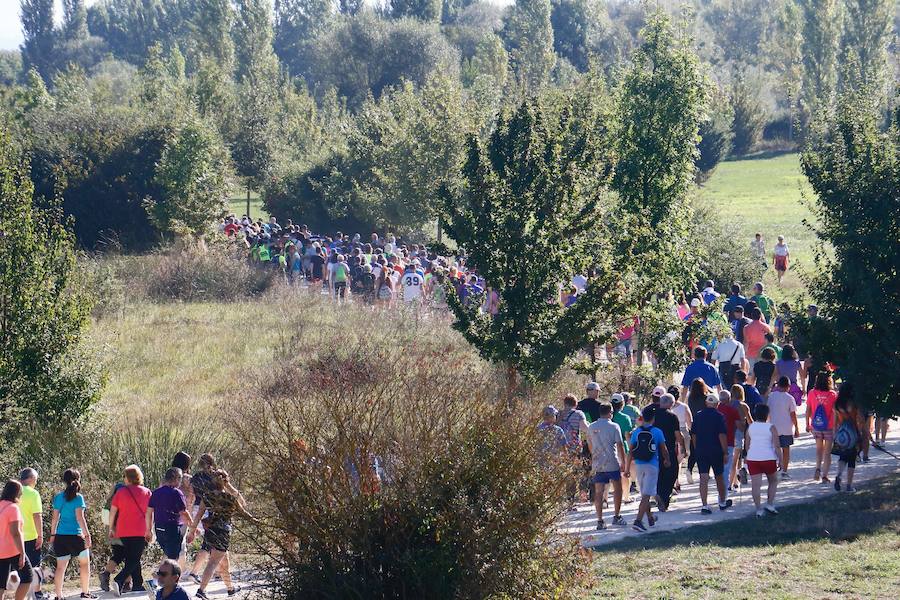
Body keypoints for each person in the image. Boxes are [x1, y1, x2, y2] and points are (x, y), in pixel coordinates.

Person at [188, 470, 253, 600]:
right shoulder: (230, 498)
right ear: (226, 482)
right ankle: (201, 590)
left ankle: (230, 588)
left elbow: (198, 516)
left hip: (210, 530)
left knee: (224, 562)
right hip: (223, 532)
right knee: (213, 562)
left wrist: (192, 531)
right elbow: (244, 513)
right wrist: (257, 521)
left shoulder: (207, 496)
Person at [51, 469, 96, 599]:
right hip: (77, 536)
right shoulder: (78, 497)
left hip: (61, 536)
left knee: (60, 568)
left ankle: (59, 596)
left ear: (64, 481)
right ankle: (85, 592)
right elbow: (80, 518)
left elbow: (55, 518)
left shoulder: (59, 497)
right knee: (84, 564)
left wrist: (53, 535)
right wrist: (87, 535)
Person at [625, 406, 670, 532]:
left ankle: (650, 518)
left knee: (645, 491)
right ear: (653, 419)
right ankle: (638, 521)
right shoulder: (657, 431)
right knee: (646, 495)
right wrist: (667, 460)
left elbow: (630, 451)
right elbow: (663, 448)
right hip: (652, 465)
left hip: (639, 465)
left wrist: (627, 468)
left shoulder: (636, 432)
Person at [108, 465, 152, 594]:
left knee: (132, 557)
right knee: (134, 558)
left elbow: (113, 512)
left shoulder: (121, 492)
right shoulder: (147, 492)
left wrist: (111, 528)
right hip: (140, 530)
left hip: (123, 531)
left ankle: (138, 584)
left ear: (128, 478)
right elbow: (150, 514)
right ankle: (119, 579)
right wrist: (149, 529)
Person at [586, 403, 627, 530]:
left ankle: (600, 520)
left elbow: (590, 444)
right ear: (610, 413)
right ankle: (616, 516)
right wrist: (623, 462)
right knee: (618, 489)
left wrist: (594, 457)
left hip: (598, 463)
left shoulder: (591, 426)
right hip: (612, 462)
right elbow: (619, 445)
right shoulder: (614, 426)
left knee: (599, 492)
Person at [691, 394, 733, 514]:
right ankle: (722, 502)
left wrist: (696, 448)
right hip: (716, 450)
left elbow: (693, 434)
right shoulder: (719, 416)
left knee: (703, 477)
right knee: (719, 476)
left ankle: (705, 505)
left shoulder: (698, 415)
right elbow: (722, 435)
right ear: (717, 404)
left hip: (701, 450)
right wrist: (725, 452)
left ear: (706, 403)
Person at [149, 468, 195, 566]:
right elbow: (183, 511)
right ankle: (168, 578)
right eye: (180, 478)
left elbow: (149, 512)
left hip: (159, 528)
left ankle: (162, 575)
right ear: (176, 478)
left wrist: (148, 529)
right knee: (173, 558)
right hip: (172, 528)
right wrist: (192, 524)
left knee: (168, 553)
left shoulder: (156, 492)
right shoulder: (177, 493)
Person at [743, 404, 781, 517]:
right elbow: (777, 446)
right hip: (768, 457)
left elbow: (747, 445)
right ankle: (769, 504)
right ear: (767, 414)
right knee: (773, 481)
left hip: (753, 458)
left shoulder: (751, 427)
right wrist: (781, 459)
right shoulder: (771, 427)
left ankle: (758, 509)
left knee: (756, 485)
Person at [0, 480, 32, 600]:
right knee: (28, 577)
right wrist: (22, 553)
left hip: (0, 551)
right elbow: (16, 533)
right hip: (13, 550)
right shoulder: (13, 508)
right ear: (16, 493)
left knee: (1, 583)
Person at [653, 394, 683, 512]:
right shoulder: (672, 417)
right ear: (671, 404)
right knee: (672, 473)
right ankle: (664, 498)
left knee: (659, 474)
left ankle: (660, 495)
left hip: (654, 450)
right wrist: (683, 447)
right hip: (669, 449)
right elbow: (677, 434)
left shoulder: (653, 415)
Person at [807, 372, 838, 483]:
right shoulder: (833, 395)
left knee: (819, 449)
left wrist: (807, 423)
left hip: (816, 425)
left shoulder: (812, 393)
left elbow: (808, 409)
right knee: (827, 452)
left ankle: (817, 468)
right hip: (829, 426)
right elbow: (835, 412)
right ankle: (825, 476)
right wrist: (836, 426)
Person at [18, 469, 44, 600]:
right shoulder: (33, 494)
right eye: (35, 479)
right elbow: (37, 515)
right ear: (30, 478)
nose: (36, 482)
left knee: (17, 568)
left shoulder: (14, 492)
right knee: (35, 567)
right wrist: (40, 535)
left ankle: (20, 594)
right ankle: (37, 593)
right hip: (30, 536)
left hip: (15, 537)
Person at [767, 377, 800, 478]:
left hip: (773, 427)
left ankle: (775, 468)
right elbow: (793, 414)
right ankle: (784, 471)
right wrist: (797, 428)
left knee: (774, 449)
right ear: (788, 386)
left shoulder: (771, 396)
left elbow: (768, 411)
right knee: (786, 450)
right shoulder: (789, 398)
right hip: (786, 428)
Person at [833, 383, 863, 492]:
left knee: (842, 457)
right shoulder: (853, 404)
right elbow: (859, 420)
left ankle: (839, 475)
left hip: (842, 434)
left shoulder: (837, 404)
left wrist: (835, 435)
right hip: (853, 434)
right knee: (851, 460)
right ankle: (849, 485)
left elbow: (835, 421)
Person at [716, 390, 742, 493]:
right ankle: (726, 489)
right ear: (729, 399)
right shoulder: (733, 411)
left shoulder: (715, 410)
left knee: (719, 466)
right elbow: (740, 426)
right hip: (729, 441)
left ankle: (723, 487)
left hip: (715, 442)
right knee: (729, 465)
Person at [610, 395, 634, 502]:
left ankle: (605, 498)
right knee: (624, 472)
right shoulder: (625, 418)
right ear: (622, 404)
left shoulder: (607, 416)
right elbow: (627, 435)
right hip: (622, 446)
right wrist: (631, 450)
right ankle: (626, 497)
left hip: (608, 446)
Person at [670, 386, 693, 486]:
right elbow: (690, 423)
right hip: (683, 432)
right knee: (679, 458)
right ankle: (676, 480)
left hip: (669, 432)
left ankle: (675, 481)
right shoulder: (684, 407)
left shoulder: (665, 407)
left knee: (673, 458)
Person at [743, 308, 772, 372]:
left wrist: (745, 354)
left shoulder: (746, 327)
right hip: (763, 354)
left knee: (751, 373)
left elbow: (746, 342)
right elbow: (770, 341)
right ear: (760, 315)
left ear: (752, 315)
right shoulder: (766, 327)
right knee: (762, 374)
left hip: (750, 353)